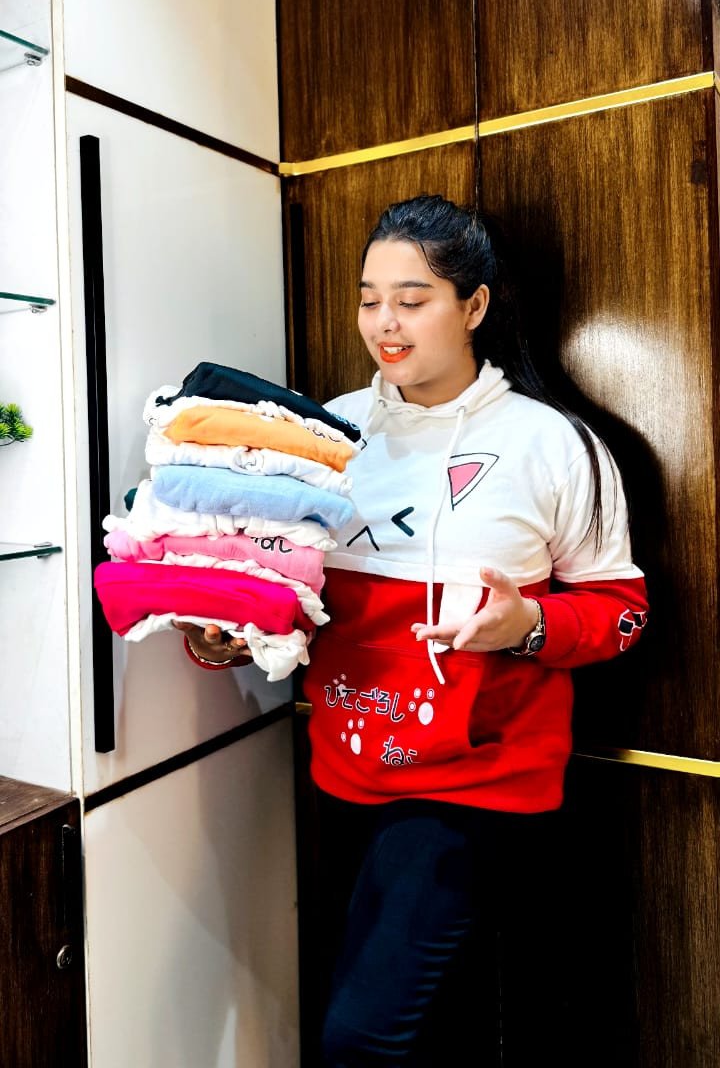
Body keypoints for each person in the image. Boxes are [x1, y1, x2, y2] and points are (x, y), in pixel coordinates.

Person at [178, 194, 648, 1065]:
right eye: (369, 299)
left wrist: (526, 625)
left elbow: (620, 613)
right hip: (343, 771)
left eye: (412, 298)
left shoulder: (552, 444)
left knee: (361, 1038)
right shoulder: (321, 435)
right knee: (429, 1030)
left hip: (472, 790)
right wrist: (226, 635)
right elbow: (277, 588)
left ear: (474, 305)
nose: (384, 323)